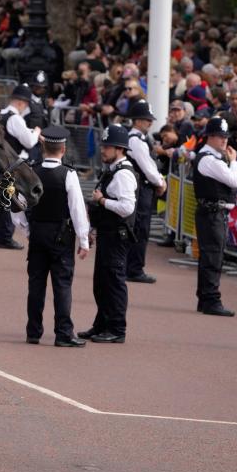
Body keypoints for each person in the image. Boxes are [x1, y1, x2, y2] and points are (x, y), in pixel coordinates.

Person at [12, 126, 91, 347]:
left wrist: (27, 230)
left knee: (36, 284)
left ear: (42, 146)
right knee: (62, 285)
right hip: (61, 236)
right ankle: (63, 333)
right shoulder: (69, 174)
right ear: (63, 149)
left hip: (37, 233)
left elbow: (17, 206)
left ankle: (33, 331)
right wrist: (83, 240)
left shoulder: (31, 171)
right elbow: (77, 210)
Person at [79, 124, 138, 343]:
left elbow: (127, 207)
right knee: (101, 283)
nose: (103, 150)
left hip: (117, 235)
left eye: (108, 146)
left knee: (113, 283)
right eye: (103, 145)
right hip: (108, 233)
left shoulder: (123, 174)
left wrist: (102, 200)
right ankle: (102, 324)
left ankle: (116, 329)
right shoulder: (113, 169)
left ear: (120, 149)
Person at [190, 117, 237, 317]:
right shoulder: (209, 159)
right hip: (212, 213)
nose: (224, 141)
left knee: (210, 256)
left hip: (212, 213)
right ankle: (211, 299)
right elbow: (234, 181)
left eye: (225, 136)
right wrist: (234, 163)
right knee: (213, 256)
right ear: (209, 137)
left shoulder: (211, 157)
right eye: (220, 136)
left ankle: (205, 298)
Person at [0, 84, 40, 250]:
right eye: (26, 104)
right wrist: (36, 131)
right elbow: (29, 141)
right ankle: (5, 236)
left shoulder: (0, 114)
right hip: (14, 164)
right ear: (21, 103)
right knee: (11, 200)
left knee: (1, 200)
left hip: (0, 162)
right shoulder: (15, 118)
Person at [124, 100, 166, 284]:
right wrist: (160, 182)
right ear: (137, 121)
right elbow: (148, 167)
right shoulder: (136, 140)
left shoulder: (136, 139)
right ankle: (134, 268)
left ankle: (131, 266)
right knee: (141, 228)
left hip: (140, 187)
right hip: (142, 189)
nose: (149, 123)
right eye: (146, 119)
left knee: (137, 227)